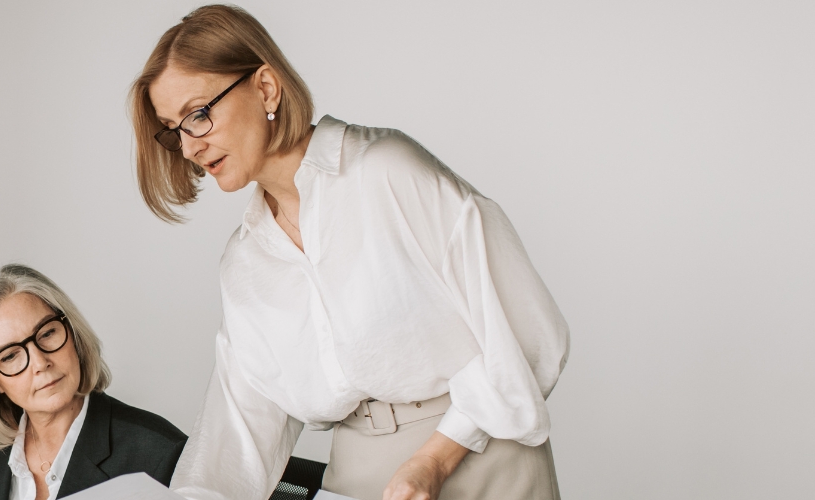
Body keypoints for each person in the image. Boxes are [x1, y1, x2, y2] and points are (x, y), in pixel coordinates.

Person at [129, 5, 569, 500]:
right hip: (361, 474)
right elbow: (241, 424)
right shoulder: (245, 261)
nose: (189, 148)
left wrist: (433, 460)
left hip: (484, 452)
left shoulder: (386, 172)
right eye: (174, 129)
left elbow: (529, 331)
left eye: (199, 114)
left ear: (266, 88)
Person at [0, 264, 187, 500]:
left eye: (48, 333)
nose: (40, 363)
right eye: (9, 356)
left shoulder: (161, 454)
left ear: (73, 333)